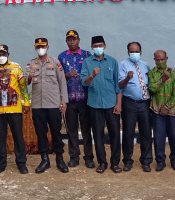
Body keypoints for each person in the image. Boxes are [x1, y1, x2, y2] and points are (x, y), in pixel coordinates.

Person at [0, 44, 30, 175]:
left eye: (3, 54)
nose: (1, 56)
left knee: (18, 136)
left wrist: (26, 102)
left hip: (14, 109)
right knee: (0, 137)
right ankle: (0, 164)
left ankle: (21, 163)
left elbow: (23, 86)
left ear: (8, 54)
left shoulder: (16, 67)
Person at [26, 37, 69, 173]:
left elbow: (62, 82)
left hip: (53, 104)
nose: (41, 49)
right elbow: (25, 82)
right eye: (38, 47)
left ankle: (59, 159)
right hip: (38, 105)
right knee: (41, 134)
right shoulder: (31, 64)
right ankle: (45, 160)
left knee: (56, 132)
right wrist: (29, 76)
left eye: (43, 46)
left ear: (47, 47)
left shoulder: (55, 62)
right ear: (35, 48)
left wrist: (64, 101)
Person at [81, 35, 122, 174]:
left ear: (104, 45)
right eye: (95, 46)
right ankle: (102, 162)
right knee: (98, 135)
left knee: (115, 134)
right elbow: (84, 82)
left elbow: (117, 85)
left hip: (111, 104)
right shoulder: (87, 62)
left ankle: (115, 163)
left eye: (100, 45)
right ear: (92, 47)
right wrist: (92, 75)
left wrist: (119, 103)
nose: (98, 48)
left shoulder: (112, 61)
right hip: (95, 104)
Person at [57, 29, 95, 168]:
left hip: (85, 99)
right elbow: (58, 78)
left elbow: (92, 74)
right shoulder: (61, 57)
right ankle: (74, 156)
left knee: (86, 130)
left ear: (79, 40)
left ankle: (89, 157)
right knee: (71, 130)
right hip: (69, 100)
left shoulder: (87, 55)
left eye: (74, 39)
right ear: (66, 41)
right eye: (69, 39)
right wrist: (67, 76)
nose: (72, 41)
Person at [118, 41, 152, 172]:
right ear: (128, 52)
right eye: (132, 51)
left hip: (144, 103)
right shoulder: (123, 65)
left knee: (146, 133)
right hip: (130, 103)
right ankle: (127, 161)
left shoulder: (145, 65)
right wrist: (127, 78)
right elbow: (120, 85)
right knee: (128, 133)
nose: (134, 54)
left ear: (141, 51)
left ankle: (146, 161)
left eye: (136, 51)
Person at [147, 49, 175, 172]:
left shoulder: (174, 73)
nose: (160, 62)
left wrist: (167, 106)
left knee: (174, 137)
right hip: (157, 111)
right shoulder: (151, 73)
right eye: (158, 60)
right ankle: (160, 161)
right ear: (154, 60)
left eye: (162, 59)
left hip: (171, 111)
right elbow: (151, 89)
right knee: (159, 137)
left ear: (166, 58)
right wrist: (162, 80)